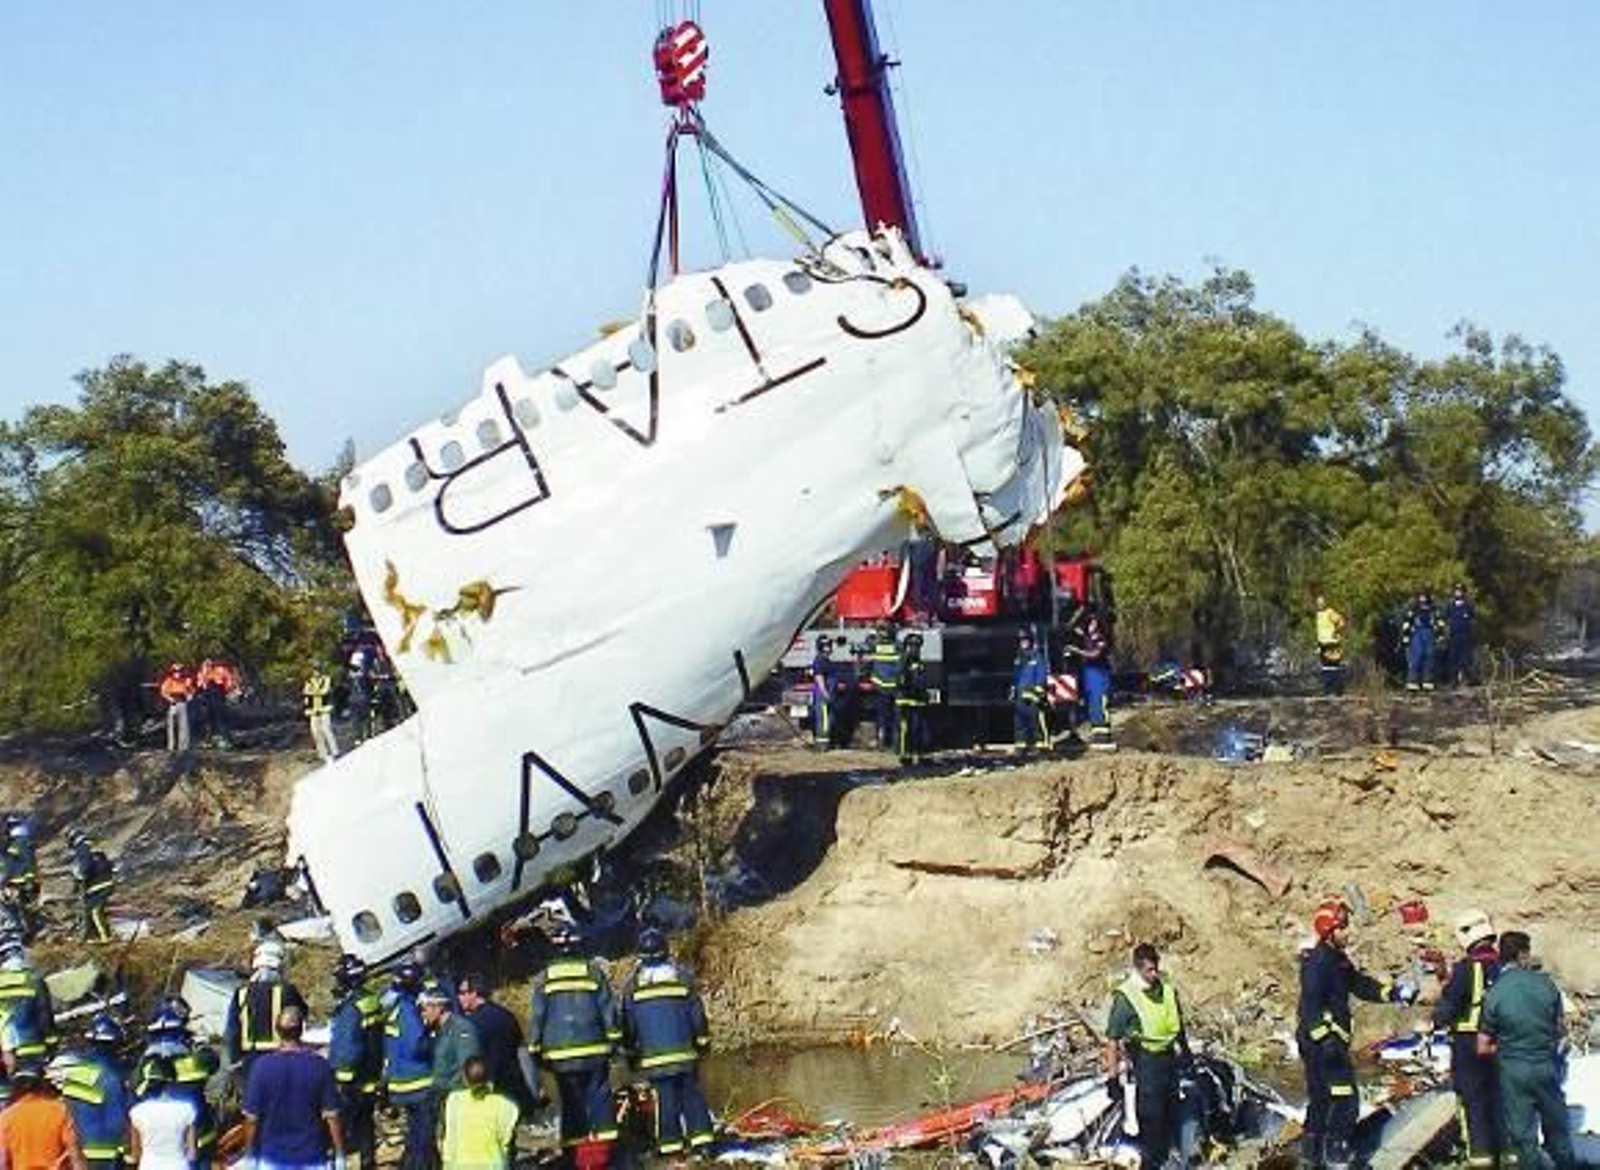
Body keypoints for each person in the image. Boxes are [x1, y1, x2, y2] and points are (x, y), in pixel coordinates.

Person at [1296, 897, 1417, 1170]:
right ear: (1329, 931)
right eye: (1343, 928)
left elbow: (1359, 984)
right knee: (1345, 1099)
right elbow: (1310, 1006)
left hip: (1326, 1041)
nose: (1348, 933)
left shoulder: (1337, 960)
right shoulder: (1317, 963)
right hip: (1321, 1043)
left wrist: (1392, 992)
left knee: (1321, 1099)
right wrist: (1325, 1039)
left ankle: (1310, 1156)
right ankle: (1336, 1155)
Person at [1480, 930, 1577, 1170]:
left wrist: (1504, 1047)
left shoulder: (1494, 993)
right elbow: (1561, 1029)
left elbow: (1482, 1046)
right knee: (1557, 1129)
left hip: (1513, 1070)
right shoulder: (1546, 984)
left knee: (1523, 1136)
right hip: (1545, 1065)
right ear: (1523, 954)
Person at [620, 927, 715, 1157]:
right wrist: (702, 1044)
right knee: (692, 1097)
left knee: (665, 1100)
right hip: (685, 1054)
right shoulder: (682, 978)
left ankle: (670, 1146)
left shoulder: (633, 986)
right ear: (666, 951)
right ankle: (703, 1143)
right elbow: (697, 1016)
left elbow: (628, 1025)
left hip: (654, 1058)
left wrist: (631, 1054)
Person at [528, 923, 620, 1155]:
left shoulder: (544, 978)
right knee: (600, 1097)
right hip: (595, 1050)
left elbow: (538, 1017)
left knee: (570, 1102)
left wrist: (534, 1049)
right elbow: (608, 1011)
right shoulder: (593, 973)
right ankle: (606, 1150)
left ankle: (576, 1154)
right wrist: (615, 1044)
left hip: (560, 1055)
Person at [1103, 943, 1189, 1170]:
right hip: (1145, 1060)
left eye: (1155, 969)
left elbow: (1178, 1025)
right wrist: (1112, 1078)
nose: (1153, 974)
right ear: (1138, 968)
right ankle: (1151, 1162)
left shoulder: (1167, 990)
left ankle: (1171, 1156)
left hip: (1169, 1058)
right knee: (1151, 1115)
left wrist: (1186, 1051)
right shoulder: (1127, 997)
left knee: (1172, 1108)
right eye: (1149, 970)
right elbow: (1112, 1039)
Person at [1432, 910, 1502, 1167]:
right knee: (1500, 1100)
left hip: (1468, 1046)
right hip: (1501, 1044)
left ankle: (1481, 1159)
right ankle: (1508, 1157)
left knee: (1474, 1105)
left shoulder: (1465, 969)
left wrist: (1434, 1018)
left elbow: (1448, 1008)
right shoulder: (1505, 965)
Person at [240, 1007, 346, 1170]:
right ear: (301, 1029)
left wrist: (249, 1155)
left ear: (277, 1031)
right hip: (313, 1158)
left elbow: (251, 1120)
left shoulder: (261, 1067)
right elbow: (333, 1116)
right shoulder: (320, 1066)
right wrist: (340, 1155)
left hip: (271, 1159)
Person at [134, 1000, 219, 1169]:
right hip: (198, 1141)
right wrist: (201, 1045)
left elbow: (136, 1102)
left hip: (166, 1146)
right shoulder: (196, 1061)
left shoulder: (146, 1067)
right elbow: (213, 1062)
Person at [53, 1013, 132, 1169]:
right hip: (107, 1157)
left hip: (77, 1154)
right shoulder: (112, 1077)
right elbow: (117, 1122)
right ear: (114, 1044)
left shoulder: (74, 1074)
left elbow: (67, 1115)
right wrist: (128, 1155)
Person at [223, 939, 307, 1083]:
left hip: (250, 1060)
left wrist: (235, 1060)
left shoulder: (241, 992)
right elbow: (302, 1016)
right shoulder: (288, 991)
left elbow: (232, 1031)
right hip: (282, 1058)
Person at [456, 974, 538, 1118]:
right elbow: (519, 1046)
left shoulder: (470, 1024)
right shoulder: (507, 1015)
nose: (459, 997)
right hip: (514, 1086)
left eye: (462, 993)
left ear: (474, 994)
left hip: (488, 1089)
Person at [328, 955, 383, 1168]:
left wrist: (339, 1078)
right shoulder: (371, 1000)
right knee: (365, 1124)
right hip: (370, 1076)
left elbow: (348, 1046)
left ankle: (337, 1163)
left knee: (339, 1126)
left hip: (351, 1082)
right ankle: (368, 1162)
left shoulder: (351, 1008)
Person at [382, 960, 437, 1170]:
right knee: (423, 1138)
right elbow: (417, 1045)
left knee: (415, 1135)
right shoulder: (408, 1009)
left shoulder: (392, 1006)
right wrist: (435, 1040)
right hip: (419, 1083)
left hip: (401, 1083)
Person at [0, 1061, 86, 1170]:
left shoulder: (6, 1116)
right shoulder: (59, 1109)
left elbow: (3, 1162)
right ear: (43, 1084)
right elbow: (75, 1155)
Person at [441, 1057, 519, 1170]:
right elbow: (506, 1139)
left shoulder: (454, 1100)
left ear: (464, 1078)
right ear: (489, 1078)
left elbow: (450, 1138)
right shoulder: (506, 1105)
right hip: (493, 1165)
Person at [0, 931, 58, 1070]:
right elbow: (44, 1014)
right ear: (21, 953)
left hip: (7, 1051)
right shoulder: (34, 979)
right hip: (34, 1046)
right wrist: (52, 1042)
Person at [126, 1057, 195, 1170]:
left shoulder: (137, 1112)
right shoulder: (186, 1109)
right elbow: (192, 1154)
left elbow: (135, 1154)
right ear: (173, 1081)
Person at [1068, 603, 1114, 749]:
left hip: (1099, 673)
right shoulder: (1088, 636)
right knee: (1092, 704)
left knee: (1100, 703)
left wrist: (1077, 651)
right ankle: (1097, 733)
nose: (1090, 624)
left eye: (1093, 621)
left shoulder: (1101, 637)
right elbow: (1073, 627)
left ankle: (1104, 735)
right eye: (1089, 621)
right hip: (1089, 673)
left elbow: (1095, 654)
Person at [419, 987, 479, 1098]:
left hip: (456, 1095)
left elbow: (467, 1066)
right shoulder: (433, 1029)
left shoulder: (461, 1028)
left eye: (424, 1009)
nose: (422, 1014)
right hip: (439, 1094)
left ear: (438, 1008)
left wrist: (450, 1093)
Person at [66, 830, 116, 944]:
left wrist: (80, 875)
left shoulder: (82, 847)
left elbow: (85, 865)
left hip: (99, 885)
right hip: (101, 884)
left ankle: (105, 937)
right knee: (88, 910)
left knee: (94, 911)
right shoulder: (92, 846)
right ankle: (92, 936)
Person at [894, 633, 930, 767]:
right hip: (905, 702)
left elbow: (922, 680)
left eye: (917, 646)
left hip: (918, 702)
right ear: (907, 647)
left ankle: (919, 755)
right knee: (905, 730)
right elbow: (900, 681)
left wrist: (924, 695)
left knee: (918, 729)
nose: (915, 648)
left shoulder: (919, 661)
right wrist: (909, 687)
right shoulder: (903, 661)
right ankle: (905, 757)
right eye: (912, 645)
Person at [1011, 629, 1050, 751]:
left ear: (1031, 642)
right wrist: (1013, 690)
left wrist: (1037, 692)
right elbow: (1016, 676)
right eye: (1021, 641)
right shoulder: (1018, 659)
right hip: (1020, 696)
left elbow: (1041, 676)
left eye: (1025, 640)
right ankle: (1021, 745)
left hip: (1033, 697)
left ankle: (1041, 744)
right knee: (1019, 722)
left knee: (1036, 721)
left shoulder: (1037, 657)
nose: (1023, 643)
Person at [865, 625, 900, 751]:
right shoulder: (898, 646)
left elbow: (867, 645)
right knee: (895, 717)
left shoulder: (876, 645)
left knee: (882, 716)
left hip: (880, 686)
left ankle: (882, 742)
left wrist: (871, 634)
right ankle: (895, 743)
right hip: (894, 686)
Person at [1401, 590, 1440, 692]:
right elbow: (1407, 622)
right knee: (1417, 657)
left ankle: (1427, 682)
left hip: (1429, 634)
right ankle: (1413, 683)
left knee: (1429, 656)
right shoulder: (1414, 610)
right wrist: (1406, 637)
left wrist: (1440, 635)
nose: (1422, 599)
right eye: (1421, 597)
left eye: (1424, 597)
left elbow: (1439, 622)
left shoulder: (1433, 610)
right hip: (1417, 634)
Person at [303, 664, 340, 764]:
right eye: (315, 670)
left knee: (326, 730)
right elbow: (306, 694)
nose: (316, 672)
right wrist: (306, 707)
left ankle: (335, 752)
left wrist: (312, 692)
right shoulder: (309, 681)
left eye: (318, 669)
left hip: (324, 709)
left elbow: (325, 691)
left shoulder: (326, 679)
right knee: (316, 733)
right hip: (313, 711)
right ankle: (323, 755)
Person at [808, 637, 840, 750]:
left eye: (830, 646)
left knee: (828, 719)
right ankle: (822, 745)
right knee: (824, 720)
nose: (830, 649)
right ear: (822, 648)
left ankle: (825, 743)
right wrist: (825, 693)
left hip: (828, 694)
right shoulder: (820, 661)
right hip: (823, 695)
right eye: (827, 646)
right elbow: (819, 677)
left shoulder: (826, 660)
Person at [1314, 594, 1347, 696]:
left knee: (1333, 667)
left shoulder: (1330, 612)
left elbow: (1341, 622)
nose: (1320, 604)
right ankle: (1328, 690)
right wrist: (1319, 646)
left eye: (1322, 602)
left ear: (1325, 603)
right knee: (1325, 667)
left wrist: (1335, 632)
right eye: (1318, 603)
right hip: (1323, 644)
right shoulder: (1318, 614)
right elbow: (1320, 631)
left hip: (1332, 643)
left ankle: (1336, 691)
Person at [157, 663, 194, 754]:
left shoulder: (184, 681)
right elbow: (163, 692)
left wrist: (189, 695)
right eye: (175, 671)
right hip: (172, 704)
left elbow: (190, 691)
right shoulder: (168, 681)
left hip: (183, 703)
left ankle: (183, 747)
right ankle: (171, 746)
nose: (178, 673)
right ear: (172, 672)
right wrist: (170, 699)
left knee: (184, 725)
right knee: (171, 726)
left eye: (179, 671)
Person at [1445, 583, 1476, 687]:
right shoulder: (1450, 605)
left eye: (1460, 591)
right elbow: (1445, 619)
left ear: (1464, 592)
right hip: (1453, 636)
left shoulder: (1468, 605)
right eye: (1456, 590)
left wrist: (1472, 633)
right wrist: (1445, 633)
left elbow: (1473, 619)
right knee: (1453, 659)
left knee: (1466, 659)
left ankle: (1470, 679)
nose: (1458, 592)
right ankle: (1453, 681)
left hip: (1465, 636)